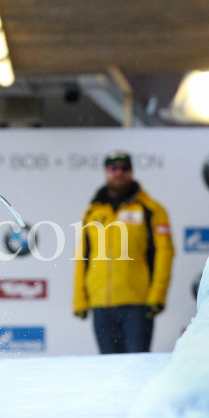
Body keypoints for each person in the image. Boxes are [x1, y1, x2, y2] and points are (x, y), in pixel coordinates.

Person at [73, 151, 174, 354]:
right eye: (113, 168)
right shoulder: (92, 212)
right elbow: (83, 256)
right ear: (106, 172)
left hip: (137, 303)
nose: (119, 173)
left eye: (124, 168)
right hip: (100, 303)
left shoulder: (152, 209)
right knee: (109, 368)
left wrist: (158, 295)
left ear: (132, 172)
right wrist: (79, 298)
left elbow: (165, 253)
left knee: (136, 365)